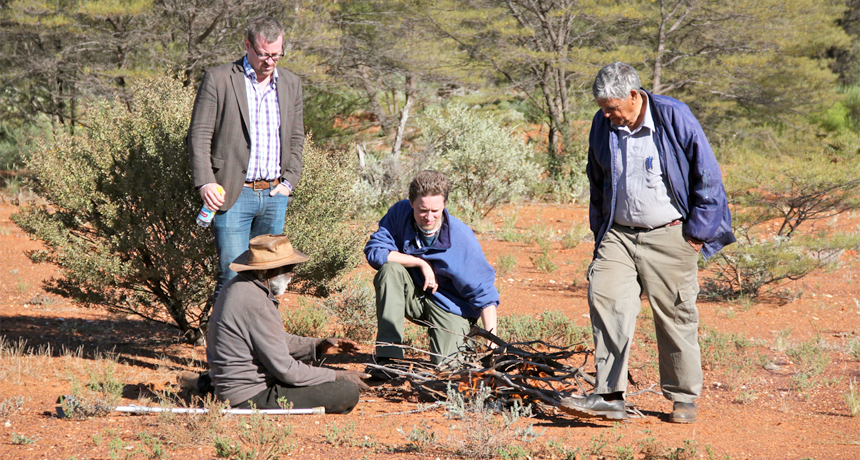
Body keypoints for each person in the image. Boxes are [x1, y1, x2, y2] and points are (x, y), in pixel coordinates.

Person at [569, 62, 736, 423]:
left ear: (633, 95)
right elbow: (596, 182)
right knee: (607, 300)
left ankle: (683, 398)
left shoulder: (673, 116)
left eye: (613, 107)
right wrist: (601, 233)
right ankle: (610, 395)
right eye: (603, 108)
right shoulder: (604, 124)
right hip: (618, 234)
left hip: (670, 234)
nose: (609, 115)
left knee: (676, 315)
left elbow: (707, 177)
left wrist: (696, 235)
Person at [187, 16, 304, 301]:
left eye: (276, 54)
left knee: (269, 279)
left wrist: (289, 182)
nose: (270, 61)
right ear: (247, 45)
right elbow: (198, 135)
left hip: (275, 195)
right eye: (264, 54)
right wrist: (205, 182)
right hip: (232, 195)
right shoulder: (219, 78)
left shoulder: (291, 83)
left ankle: (265, 346)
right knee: (232, 276)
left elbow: (297, 138)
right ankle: (225, 346)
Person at [202, 234, 369, 413]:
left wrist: (316, 346)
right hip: (249, 397)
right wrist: (338, 376)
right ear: (267, 271)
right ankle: (203, 384)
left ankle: (203, 384)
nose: (292, 274)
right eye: (288, 268)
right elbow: (286, 370)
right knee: (346, 392)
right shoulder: (256, 302)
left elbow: (273, 339)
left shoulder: (237, 286)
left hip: (231, 387)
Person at [364, 170, 500, 374]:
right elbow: (375, 252)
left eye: (435, 210)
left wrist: (492, 341)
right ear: (411, 204)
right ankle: (388, 359)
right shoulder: (400, 213)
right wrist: (419, 263)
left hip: (450, 307)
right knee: (390, 270)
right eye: (422, 210)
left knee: (450, 370)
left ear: (444, 204)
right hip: (415, 295)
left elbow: (484, 294)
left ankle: (462, 344)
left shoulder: (460, 237)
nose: (429, 217)